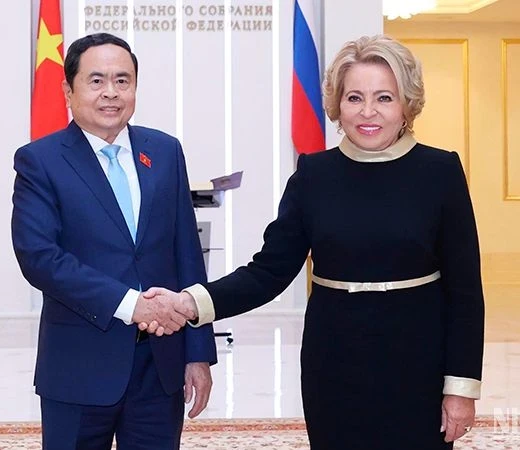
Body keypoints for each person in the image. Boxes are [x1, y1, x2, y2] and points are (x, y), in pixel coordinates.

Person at [141, 35, 485, 449]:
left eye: (384, 98)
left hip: (419, 366)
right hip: (334, 366)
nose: (368, 111)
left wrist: (461, 388)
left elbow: (466, 293)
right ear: (337, 104)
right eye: (355, 97)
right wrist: (192, 302)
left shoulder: (440, 173)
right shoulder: (314, 175)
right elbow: (268, 272)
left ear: (407, 104)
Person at [11, 32, 216, 450]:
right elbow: (41, 259)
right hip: (79, 364)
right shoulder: (40, 161)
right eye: (97, 80)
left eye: (123, 80)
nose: (111, 93)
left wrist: (198, 351)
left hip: (160, 366)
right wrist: (132, 304)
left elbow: (186, 255)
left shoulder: (164, 151)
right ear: (69, 90)